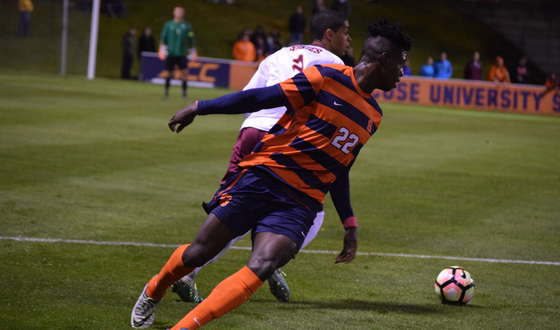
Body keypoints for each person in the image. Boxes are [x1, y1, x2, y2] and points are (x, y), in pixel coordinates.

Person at [131, 18, 412, 330]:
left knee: (263, 265)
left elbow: (341, 167)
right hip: (262, 177)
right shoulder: (325, 77)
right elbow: (262, 97)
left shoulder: (374, 115)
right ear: (382, 60)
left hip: (300, 203)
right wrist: (200, 107)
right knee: (199, 252)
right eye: (400, 64)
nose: (403, 73)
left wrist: (349, 222)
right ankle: (154, 289)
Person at [171, 10, 351, 305]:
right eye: (346, 32)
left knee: (233, 208)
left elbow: (250, 97)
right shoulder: (336, 64)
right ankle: (266, 264)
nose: (349, 40)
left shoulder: (277, 54)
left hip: (252, 131)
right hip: (290, 141)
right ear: (329, 34)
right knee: (311, 212)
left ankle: (189, 272)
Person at [160, 7, 197, 99]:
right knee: (168, 73)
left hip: (182, 54)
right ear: (174, 13)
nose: (179, 13)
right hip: (171, 53)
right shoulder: (168, 25)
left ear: (183, 13)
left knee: (184, 73)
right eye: (178, 11)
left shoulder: (187, 26)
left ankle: (184, 94)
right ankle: (166, 93)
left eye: (181, 12)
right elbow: (163, 37)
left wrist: (193, 49)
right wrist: (161, 48)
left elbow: (191, 36)